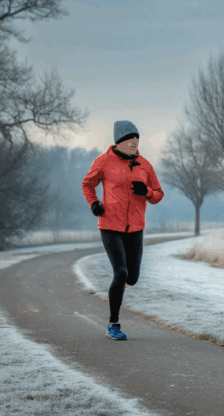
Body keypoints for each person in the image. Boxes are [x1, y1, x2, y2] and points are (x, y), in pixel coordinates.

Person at [82, 120, 164, 340]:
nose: (134, 143)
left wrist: (146, 191)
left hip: (135, 228)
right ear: (118, 142)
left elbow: (158, 194)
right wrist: (94, 203)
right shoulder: (104, 162)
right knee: (121, 272)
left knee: (133, 277)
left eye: (136, 139)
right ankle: (113, 324)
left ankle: (122, 283)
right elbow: (87, 184)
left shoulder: (145, 165)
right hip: (110, 226)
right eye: (129, 140)